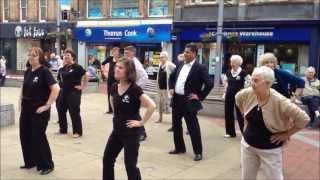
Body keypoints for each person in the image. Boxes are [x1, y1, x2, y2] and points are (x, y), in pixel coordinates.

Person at [235, 66, 309, 180]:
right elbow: (237, 98)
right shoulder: (250, 92)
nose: (252, 83)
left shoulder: (280, 101)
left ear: (268, 83)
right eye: (251, 80)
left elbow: (304, 119)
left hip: (270, 150)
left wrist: (286, 134)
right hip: (248, 145)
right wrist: (243, 113)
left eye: (256, 80)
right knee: (247, 177)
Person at [102, 59, 156, 180]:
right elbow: (112, 100)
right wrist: (116, 116)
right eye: (116, 66)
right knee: (107, 159)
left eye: (120, 68)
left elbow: (152, 106)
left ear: (128, 72)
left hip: (131, 133)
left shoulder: (134, 89)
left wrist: (141, 123)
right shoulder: (114, 86)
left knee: (130, 165)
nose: (116, 69)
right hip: (116, 132)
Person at [168, 43, 214, 161]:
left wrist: (199, 96)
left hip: (189, 101)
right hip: (177, 100)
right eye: (185, 51)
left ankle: (198, 152)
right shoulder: (179, 64)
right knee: (176, 125)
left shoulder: (200, 68)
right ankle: (179, 148)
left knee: (193, 127)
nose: (185, 54)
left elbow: (210, 84)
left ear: (194, 53)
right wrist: (172, 87)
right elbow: (171, 78)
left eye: (188, 52)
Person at [19, 47, 60, 175]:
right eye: (30, 54)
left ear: (40, 57)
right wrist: (20, 101)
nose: (31, 57)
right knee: (25, 135)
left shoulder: (44, 71)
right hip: (26, 108)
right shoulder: (28, 71)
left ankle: (47, 164)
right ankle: (30, 161)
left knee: (38, 137)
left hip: (39, 110)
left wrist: (47, 105)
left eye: (34, 55)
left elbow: (56, 89)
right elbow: (23, 87)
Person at [56, 48, 88, 138]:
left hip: (74, 92)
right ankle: (63, 129)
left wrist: (83, 86)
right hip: (63, 91)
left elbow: (86, 75)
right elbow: (59, 79)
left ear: (73, 57)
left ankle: (77, 131)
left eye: (68, 55)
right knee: (60, 109)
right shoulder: (63, 68)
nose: (66, 57)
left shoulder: (77, 67)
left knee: (74, 111)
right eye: (65, 55)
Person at [124, 45, 149, 141]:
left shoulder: (136, 63)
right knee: (131, 111)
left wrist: (135, 88)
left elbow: (144, 77)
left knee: (134, 112)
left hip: (133, 92)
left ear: (133, 53)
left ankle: (142, 133)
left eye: (127, 53)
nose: (125, 55)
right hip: (130, 90)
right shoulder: (130, 62)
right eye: (125, 53)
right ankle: (134, 130)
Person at [223, 55, 250, 138]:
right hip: (229, 95)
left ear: (238, 63)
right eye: (231, 62)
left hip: (239, 97)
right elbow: (225, 81)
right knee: (228, 113)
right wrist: (226, 89)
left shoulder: (243, 72)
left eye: (233, 62)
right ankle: (230, 132)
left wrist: (244, 90)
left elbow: (249, 81)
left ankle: (244, 133)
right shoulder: (228, 72)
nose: (232, 64)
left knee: (240, 114)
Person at [155, 51, 176, 123]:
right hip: (160, 88)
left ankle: (174, 121)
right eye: (160, 57)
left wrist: (173, 86)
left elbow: (176, 72)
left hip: (167, 89)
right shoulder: (160, 64)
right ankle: (160, 118)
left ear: (166, 58)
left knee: (170, 105)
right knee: (160, 104)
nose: (161, 58)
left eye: (162, 57)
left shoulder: (170, 65)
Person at [102, 46, 121, 114]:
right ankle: (110, 109)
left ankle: (117, 109)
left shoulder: (121, 59)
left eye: (116, 51)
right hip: (110, 78)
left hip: (118, 79)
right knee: (110, 94)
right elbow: (102, 64)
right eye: (113, 51)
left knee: (118, 94)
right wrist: (104, 73)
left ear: (119, 53)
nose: (115, 53)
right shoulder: (110, 58)